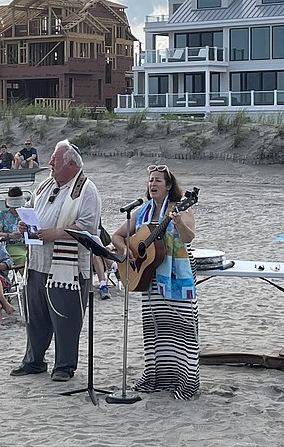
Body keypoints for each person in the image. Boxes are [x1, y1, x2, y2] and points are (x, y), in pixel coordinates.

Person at [11, 140, 101, 382]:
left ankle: (64, 366)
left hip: (67, 269)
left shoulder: (87, 189)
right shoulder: (44, 185)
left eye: (55, 159)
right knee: (36, 317)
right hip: (37, 263)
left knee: (66, 318)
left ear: (71, 164)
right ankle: (34, 361)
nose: (50, 163)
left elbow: (88, 227)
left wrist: (55, 233)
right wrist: (24, 225)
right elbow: (31, 209)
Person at [110, 164, 200, 400]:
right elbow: (116, 236)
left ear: (169, 185)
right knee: (156, 330)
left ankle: (185, 381)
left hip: (176, 277)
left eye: (158, 180)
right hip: (149, 278)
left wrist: (179, 222)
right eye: (151, 180)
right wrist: (126, 251)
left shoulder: (178, 208)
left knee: (181, 329)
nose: (153, 184)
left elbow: (189, 236)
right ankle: (157, 377)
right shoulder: (143, 211)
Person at [0, 186, 27, 267]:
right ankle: (29, 279)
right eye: (13, 207)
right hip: (12, 245)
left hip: (28, 244)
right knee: (24, 258)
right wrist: (9, 235)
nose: (15, 209)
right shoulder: (3, 214)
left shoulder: (26, 213)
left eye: (17, 207)